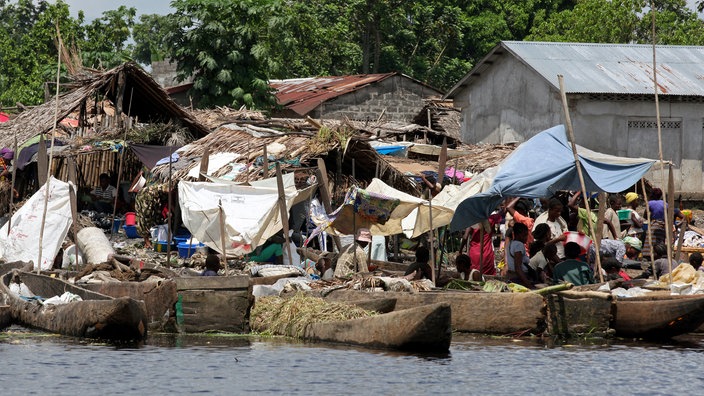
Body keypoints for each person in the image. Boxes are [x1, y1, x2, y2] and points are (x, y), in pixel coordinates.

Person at [506, 222, 533, 288]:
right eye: (525, 235)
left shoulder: (510, 243)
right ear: (519, 234)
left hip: (511, 276)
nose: (526, 237)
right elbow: (518, 268)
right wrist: (529, 285)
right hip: (519, 279)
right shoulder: (519, 245)